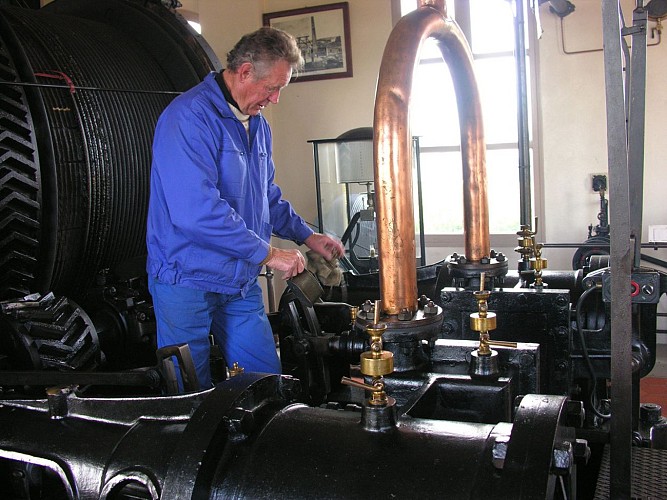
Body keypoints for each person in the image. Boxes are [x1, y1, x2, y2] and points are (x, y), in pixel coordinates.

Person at [146, 27, 344, 389]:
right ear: (245, 72)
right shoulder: (188, 118)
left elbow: (265, 196)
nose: (276, 98)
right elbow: (196, 211)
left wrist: (306, 235)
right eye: (273, 88)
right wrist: (268, 254)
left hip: (238, 280)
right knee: (188, 392)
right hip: (187, 278)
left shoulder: (258, 126)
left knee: (264, 380)